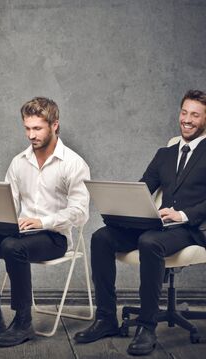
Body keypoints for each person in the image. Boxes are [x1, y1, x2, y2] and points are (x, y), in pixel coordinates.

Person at [74, 89, 206, 356]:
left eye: (195, 114)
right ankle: (106, 319)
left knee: (149, 242)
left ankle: (147, 327)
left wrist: (181, 215)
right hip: (159, 226)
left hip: (191, 229)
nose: (187, 119)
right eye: (184, 112)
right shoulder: (165, 154)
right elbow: (142, 189)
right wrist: (122, 208)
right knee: (101, 237)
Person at [0, 97, 90, 347]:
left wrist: (41, 221)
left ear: (55, 125)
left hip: (54, 237)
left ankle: (23, 322)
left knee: (12, 246)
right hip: (19, 232)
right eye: (27, 128)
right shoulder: (19, 162)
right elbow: (6, 202)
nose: (31, 135)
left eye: (37, 128)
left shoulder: (73, 164)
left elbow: (80, 213)